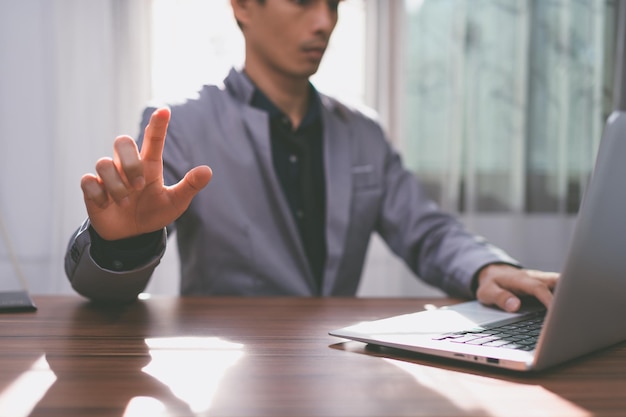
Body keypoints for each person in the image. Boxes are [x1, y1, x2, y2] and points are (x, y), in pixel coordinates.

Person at [65, 0, 558, 311]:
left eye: (335, 3)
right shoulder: (181, 124)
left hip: (337, 366)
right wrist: (121, 248)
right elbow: (104, 293)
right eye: (303, 1)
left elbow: (425, 229)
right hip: (223, 373)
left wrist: (485, 269)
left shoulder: (362, 131)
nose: (324, 21)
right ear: (241, 7)